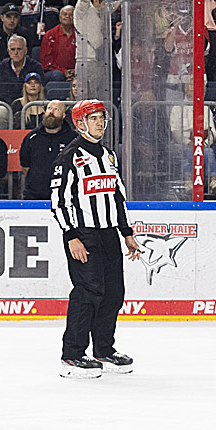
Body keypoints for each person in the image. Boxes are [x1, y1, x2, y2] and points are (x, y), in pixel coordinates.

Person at [50, 100, 141, 379]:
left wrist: (126, 233)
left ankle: (104, 348)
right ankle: (73, 354)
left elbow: (118, 196)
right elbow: (58, 201)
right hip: (84, 234)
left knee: (114, 292)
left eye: (102, 117)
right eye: (93, 118)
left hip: (109, 234)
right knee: (88, 293)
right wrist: (71, 236)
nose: (100, 122)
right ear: (79, 123)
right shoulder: (69, 157)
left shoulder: (108, 155)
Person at [75, 0, 139, 99]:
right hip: (86, 61)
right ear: (96, 1)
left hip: (102, 61)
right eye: (105, 3)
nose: (107, 7)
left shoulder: (104, 10)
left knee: (100, 102)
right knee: (85, 102)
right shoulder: (82, 11)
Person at [19, 100, 75, 199]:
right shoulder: (32, 137)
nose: (51, 112)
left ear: (63, 115)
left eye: (56, 109)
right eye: (49, 108)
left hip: (65, 195)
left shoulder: (73, 139)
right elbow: (25, 166)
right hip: (35, 195)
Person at [0, 35, 45, 104]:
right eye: (12, 49)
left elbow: (40, 90)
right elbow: (1, 92)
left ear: (25, 51)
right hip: (7, 104)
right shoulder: (2, 67)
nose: (16, 53)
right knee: (1, 112)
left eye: (19, 49)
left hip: (30, 103)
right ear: (9, 52)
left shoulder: (36, 67)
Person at [0, 4, 28, 70]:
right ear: (2, 18)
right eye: (8, 17)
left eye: (15, 17)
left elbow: (28, 55)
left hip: (20, 67)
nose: (12, 20)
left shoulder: (24, 34)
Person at [39, 6, 76, 79]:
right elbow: (45, 61)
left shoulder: (80, 35)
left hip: (76, 71)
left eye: (71, 14)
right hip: (55, 72)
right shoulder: (49, 35)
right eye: (65, 14)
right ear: (59, 17)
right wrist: (64, 71)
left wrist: (76, 70)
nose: (68, 16)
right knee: (57, 75)